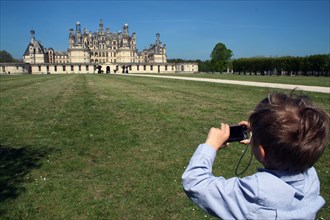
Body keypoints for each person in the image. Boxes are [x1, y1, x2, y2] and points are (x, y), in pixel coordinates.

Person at [182, 92, 329, 219]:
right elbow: (298, 145)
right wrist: (261, 135)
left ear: (262, 150)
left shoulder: (257, 192)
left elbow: (195, 183)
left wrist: (210, 146)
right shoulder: (310, 177)